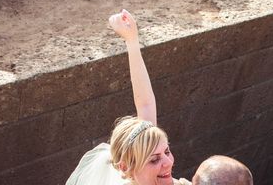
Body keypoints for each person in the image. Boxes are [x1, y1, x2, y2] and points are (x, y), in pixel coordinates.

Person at [66, 10, 191, 185]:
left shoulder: (146, 153)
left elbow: (146, 104)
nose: (168, 162)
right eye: (154, 160)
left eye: (167, 151)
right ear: (125, 168)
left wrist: (132, 41)